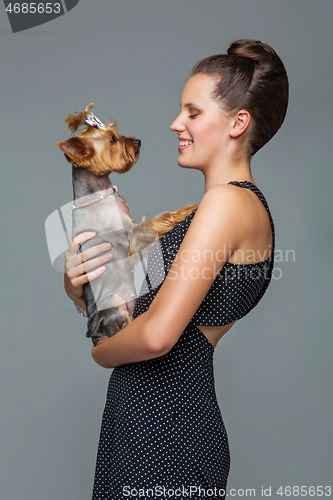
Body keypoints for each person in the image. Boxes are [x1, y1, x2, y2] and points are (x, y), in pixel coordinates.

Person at [64, 39, 288, 499]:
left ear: (237, 123)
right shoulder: (206, 211)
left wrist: (99, 353)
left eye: (192, 112)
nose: (175, 124)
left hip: (165, 432)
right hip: (148, 423)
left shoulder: (227, 203)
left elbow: (153, 336)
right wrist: (77, 284)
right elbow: (129, 304)